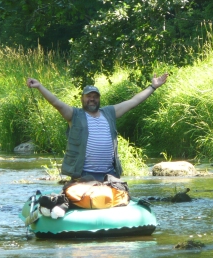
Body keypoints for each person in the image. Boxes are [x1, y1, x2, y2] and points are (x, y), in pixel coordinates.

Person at [26, 74, 168, 181]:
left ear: (99, 99)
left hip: (109, 174)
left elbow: (134, 101)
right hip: (84, 175)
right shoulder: (74, 115)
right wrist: (39, 86)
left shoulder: (109, 112)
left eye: (95, 96)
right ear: (82, 99)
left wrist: (153, 86)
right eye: (88, 96)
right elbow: (56, 102)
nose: (92, 99)